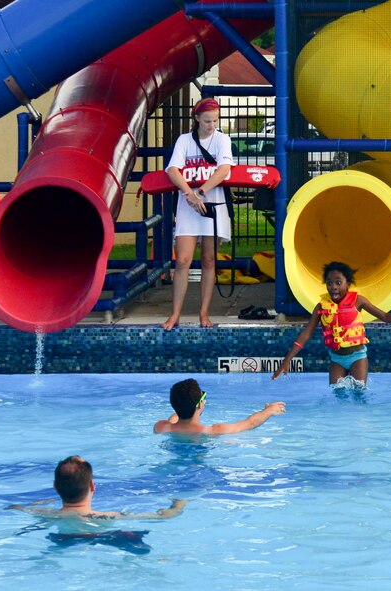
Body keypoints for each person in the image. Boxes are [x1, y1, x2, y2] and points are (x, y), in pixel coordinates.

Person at [272, 261, 391, 386]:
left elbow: (384, 315)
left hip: (357, 357)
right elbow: (306, 334)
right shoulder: (321, 307)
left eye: (338, 282)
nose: (333, 287)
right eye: (329, 283)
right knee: (337, 394)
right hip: (336, 359)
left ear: (348, 284)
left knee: (359, 393)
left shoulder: (358, 301)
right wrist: (287, 360)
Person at [161, 98, 234, 330]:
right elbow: (173, 169)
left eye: (215, 120)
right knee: (182, 260)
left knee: (209, 260)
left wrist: (201, 191)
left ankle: (204, 314)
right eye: (207, 121)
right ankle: (175, 314)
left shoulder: (223, 139)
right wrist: (189, 194)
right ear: (196, 119)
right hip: (188, 206)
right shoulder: (184, 140)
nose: (211, 125)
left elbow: (224, 169)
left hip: (212, 204)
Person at [9, 455, 186, 519]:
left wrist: (39, 503)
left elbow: (15, 507)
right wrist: (179, 504)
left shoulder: (46, 514)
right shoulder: (108, 517)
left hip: (60, 538)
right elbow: (163, 517)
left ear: (55, 487)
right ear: (92, 485)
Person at [153, 378, 285, 435]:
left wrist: (192, 408)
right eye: (203, 396)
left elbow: (176, 415)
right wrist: (268, 411)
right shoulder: (213, 431)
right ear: (200, 405)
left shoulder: (161, 427)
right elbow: (249, 424)